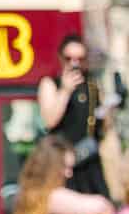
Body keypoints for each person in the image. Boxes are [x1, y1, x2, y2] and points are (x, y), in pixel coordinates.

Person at [36, 33, 114, 202]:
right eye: (69, 58)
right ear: (60, 58)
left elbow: (102, 127)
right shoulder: (50, 84)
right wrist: (65, 91)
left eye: (80, 59)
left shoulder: (92, 86)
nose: (74, 64)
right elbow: (49, 120)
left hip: (87, 161)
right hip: (61, 163)